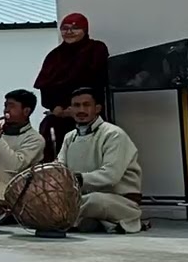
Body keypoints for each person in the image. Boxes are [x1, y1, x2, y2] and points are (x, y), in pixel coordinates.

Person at [56, 87, 144, 234]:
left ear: (97, 108)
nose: (81, 110)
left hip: (118, 201)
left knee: (95, 200)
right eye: (76, 106)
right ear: (71, 109)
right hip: (82, 199)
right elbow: (60, 167)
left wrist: (76, 179)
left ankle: (59, 220)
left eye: (86, 105)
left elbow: (111, 175)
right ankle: (94, 222)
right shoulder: (69, 137)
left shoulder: (114, 134)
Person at [34, 13, 109, 162]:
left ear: (85, 30)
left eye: (75, 28)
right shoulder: (54, 56)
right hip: (59, 116)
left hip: (88, 115)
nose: (69, 32)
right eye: (65, 28)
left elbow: (99, 81)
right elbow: (46, 86)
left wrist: (77, 108)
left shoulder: (95, 49)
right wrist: (55, 107)